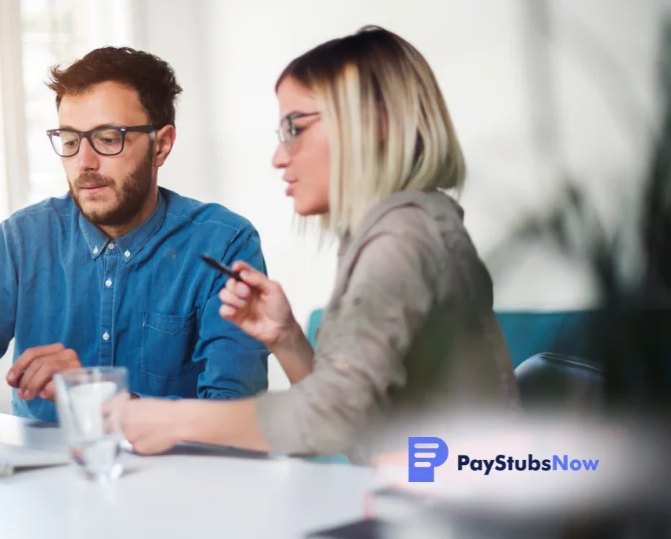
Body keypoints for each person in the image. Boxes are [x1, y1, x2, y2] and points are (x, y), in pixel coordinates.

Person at [113, 26, 520, 463]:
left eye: (295, 127)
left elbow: (332, 418)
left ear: (376, 122)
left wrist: (174, 421)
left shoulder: (403, 237)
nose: (279, 156)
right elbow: (354, 420)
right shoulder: (393, 228)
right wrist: (286, 337)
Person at [0, 47, 269, 439]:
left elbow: (240, 421)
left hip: (173, 490)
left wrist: (97, 394)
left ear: (161, 145)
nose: (84, 162)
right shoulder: (24, 240)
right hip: (41, 491)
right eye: (69, 140)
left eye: (107, 138)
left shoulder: (224, 244)